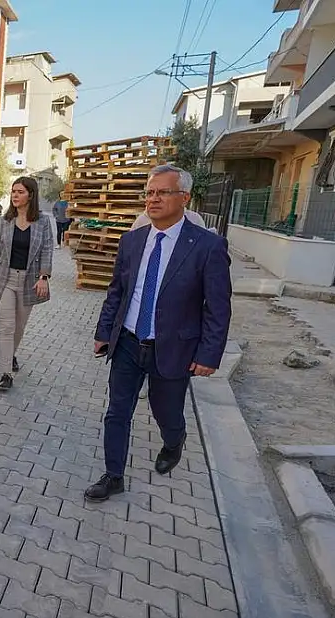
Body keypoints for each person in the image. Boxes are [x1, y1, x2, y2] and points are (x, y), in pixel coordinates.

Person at [86, 164, 232, 502]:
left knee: (165, 411)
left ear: (184, 197)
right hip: (127, 342)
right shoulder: (133, 240)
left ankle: (174, 439)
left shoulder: (207, 246)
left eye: (162, 192)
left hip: (173, 348)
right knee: (117, 411)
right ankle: (113, 475)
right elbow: (117, 291)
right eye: (149, 192)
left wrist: (209, 354)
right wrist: (104, 330)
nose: (153, 199)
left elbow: (218, 307)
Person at [0, 176, 54, 392]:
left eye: (20, 192)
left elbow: (47, 249)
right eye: (13, 191)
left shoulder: (43, 222)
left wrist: (44, 277)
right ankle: (5, 372)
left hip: (29, 281)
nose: (15, 195)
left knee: (19, 327)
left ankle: (11, 354)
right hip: (5, 279)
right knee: (7, 327)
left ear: (31, 195)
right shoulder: (4, 221)